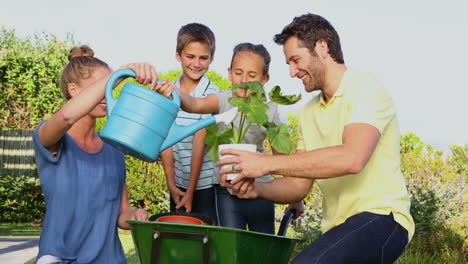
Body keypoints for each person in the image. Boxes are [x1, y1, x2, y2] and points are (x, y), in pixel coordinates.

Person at [218, 13, 415, 263]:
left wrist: (264, 163)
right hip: (339, 228)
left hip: (384, 218)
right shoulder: (309, 113)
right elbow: (298, 185)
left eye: (296, 60)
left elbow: (352, 158)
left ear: (322, 47)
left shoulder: (365, 88)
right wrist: (256, 189)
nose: (291, 72)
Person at [32, 45, 173, 264]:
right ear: (73, 90)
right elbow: (67, 116)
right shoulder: (50, 138)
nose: (108, 94)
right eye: (102, 86)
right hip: (60, 258)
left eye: (111, 86)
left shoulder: (114, 149)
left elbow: (122, 215)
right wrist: (122, 72)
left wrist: (135, 215)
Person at [177, 42, 303, 234]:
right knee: (231, 247)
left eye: (252, 76)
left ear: (264, 79)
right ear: (229, 73)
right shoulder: (223, 99)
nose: (244, 80)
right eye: (238, 73)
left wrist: (295, 197)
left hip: (261, 188)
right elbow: (194, 104)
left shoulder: (269, 109)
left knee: (261, 247)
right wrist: (171, 90)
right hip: (225, 189)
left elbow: (282, 160)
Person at [160, 23, 220, 223]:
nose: (196, 63)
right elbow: (165, 139)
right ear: (178, 55)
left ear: (211, 59)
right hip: (178, 184)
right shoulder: (168, 91)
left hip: (205, 187)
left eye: (203, 58)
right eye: (190, 57)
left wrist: (191, 191)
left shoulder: (213, 95)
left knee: (207, 245)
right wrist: (171, 183)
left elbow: (199, 143)